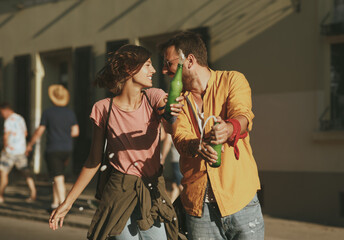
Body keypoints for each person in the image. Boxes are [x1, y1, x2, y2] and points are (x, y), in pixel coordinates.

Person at [48, 44, 185, 240]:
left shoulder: (154, 97)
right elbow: (93, 160)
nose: (153, 70)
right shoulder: (103, 108)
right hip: (119, 194)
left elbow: (172, 127)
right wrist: (67, 203)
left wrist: (172, 116)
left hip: (152, 191)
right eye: (147, 65)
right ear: (130, 69)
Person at [160, 31, 264, 240]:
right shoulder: (177, 100)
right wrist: (198, 147)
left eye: (168, 63)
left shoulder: (232, 80)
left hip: (239, 198)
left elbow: (243, 116)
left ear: (189, 61)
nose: (164, 70)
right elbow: (180, 138)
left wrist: (228, 128)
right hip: (200, 208)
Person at [26, 84, 79, 210]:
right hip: (67, 148)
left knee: (58, 177)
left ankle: (63, 206)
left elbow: (39, 131)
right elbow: (75, 132)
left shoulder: (48, 112)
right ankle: (54, 203)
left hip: (53, 149)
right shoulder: (70, 113)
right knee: (57, 176)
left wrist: (30, 144)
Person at [0, 103, 37, 203]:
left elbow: (5, 136)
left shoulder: (8, 121)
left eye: (1, 112)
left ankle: (1, 195)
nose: (1, 115)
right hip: (21, 150)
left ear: (5, 110)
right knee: (26, 172)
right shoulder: (20, 118)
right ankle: (33, 193)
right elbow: (25, 133)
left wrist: (4, 147)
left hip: (9, 150)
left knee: (3, 172)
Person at [160, 131, 183, 203]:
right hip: (178, 159)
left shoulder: (171, 128)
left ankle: (187, 206)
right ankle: (171, 205)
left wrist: (162, 159)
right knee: (175, 185)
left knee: (181, 185)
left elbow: (167, 142)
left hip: (176, 160)